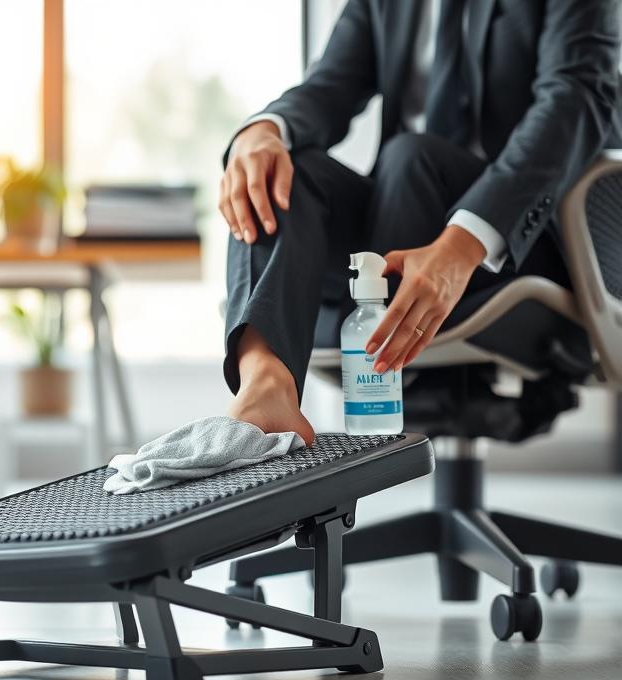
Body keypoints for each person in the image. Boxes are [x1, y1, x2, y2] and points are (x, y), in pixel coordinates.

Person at [220, 0, 622, 444]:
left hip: (519, 243)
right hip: (400, 227)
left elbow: (577, 97)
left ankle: (422, 386)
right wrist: (266, 130)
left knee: (411, 157)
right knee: (282, 174)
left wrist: (463, 243)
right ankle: (265, 383)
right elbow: (330, 86)